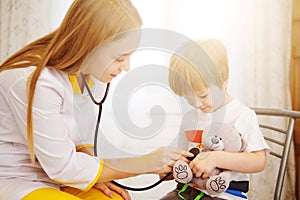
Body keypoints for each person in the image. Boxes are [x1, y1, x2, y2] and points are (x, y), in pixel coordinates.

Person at [0, 1, 192, 200]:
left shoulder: (89, 73)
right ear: (89, 45)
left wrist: (97, 176)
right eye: (119, 58)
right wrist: (145, 163)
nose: (126, 67)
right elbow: (63, 167)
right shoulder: (36, 81)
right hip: (17, 179)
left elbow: (81, 140)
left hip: (57, 178)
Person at [160, 39, 270, 200]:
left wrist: (215, 158)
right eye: (188, 98)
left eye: (203, 95)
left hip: (225, 194)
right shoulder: (190, 118)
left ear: (224, 80)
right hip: (186, 191)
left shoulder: (241, 115)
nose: (197, 104)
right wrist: (172, 167)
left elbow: (259, 161)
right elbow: (184, 154)